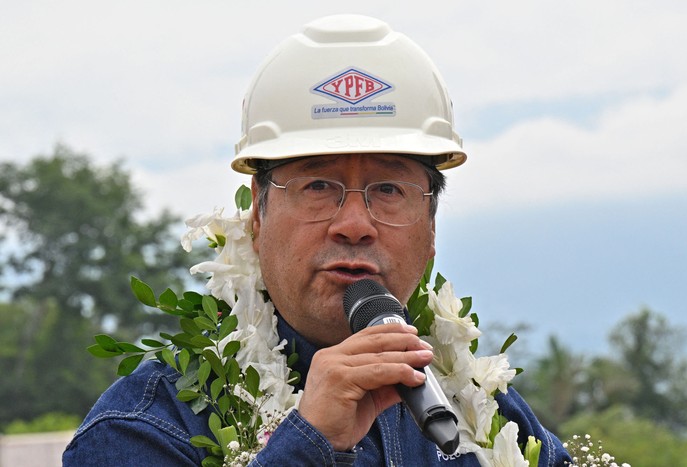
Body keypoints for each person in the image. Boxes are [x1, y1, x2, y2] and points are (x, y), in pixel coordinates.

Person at [64, 14, 571, 466]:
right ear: (257, 217)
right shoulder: (147, 426)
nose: (354, 224)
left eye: (389, 189)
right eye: (318, 186)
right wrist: (309, 442)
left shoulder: (478, 407)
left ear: (432, 225)